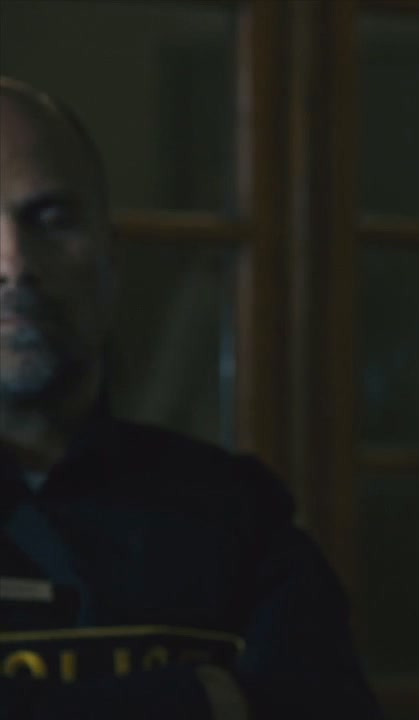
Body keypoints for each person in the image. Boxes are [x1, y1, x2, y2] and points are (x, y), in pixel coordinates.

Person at [0, 78, 382, 719]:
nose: (14, 262)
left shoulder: (238, 516)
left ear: (111, 255)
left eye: (52, 218)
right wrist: (193, 699)